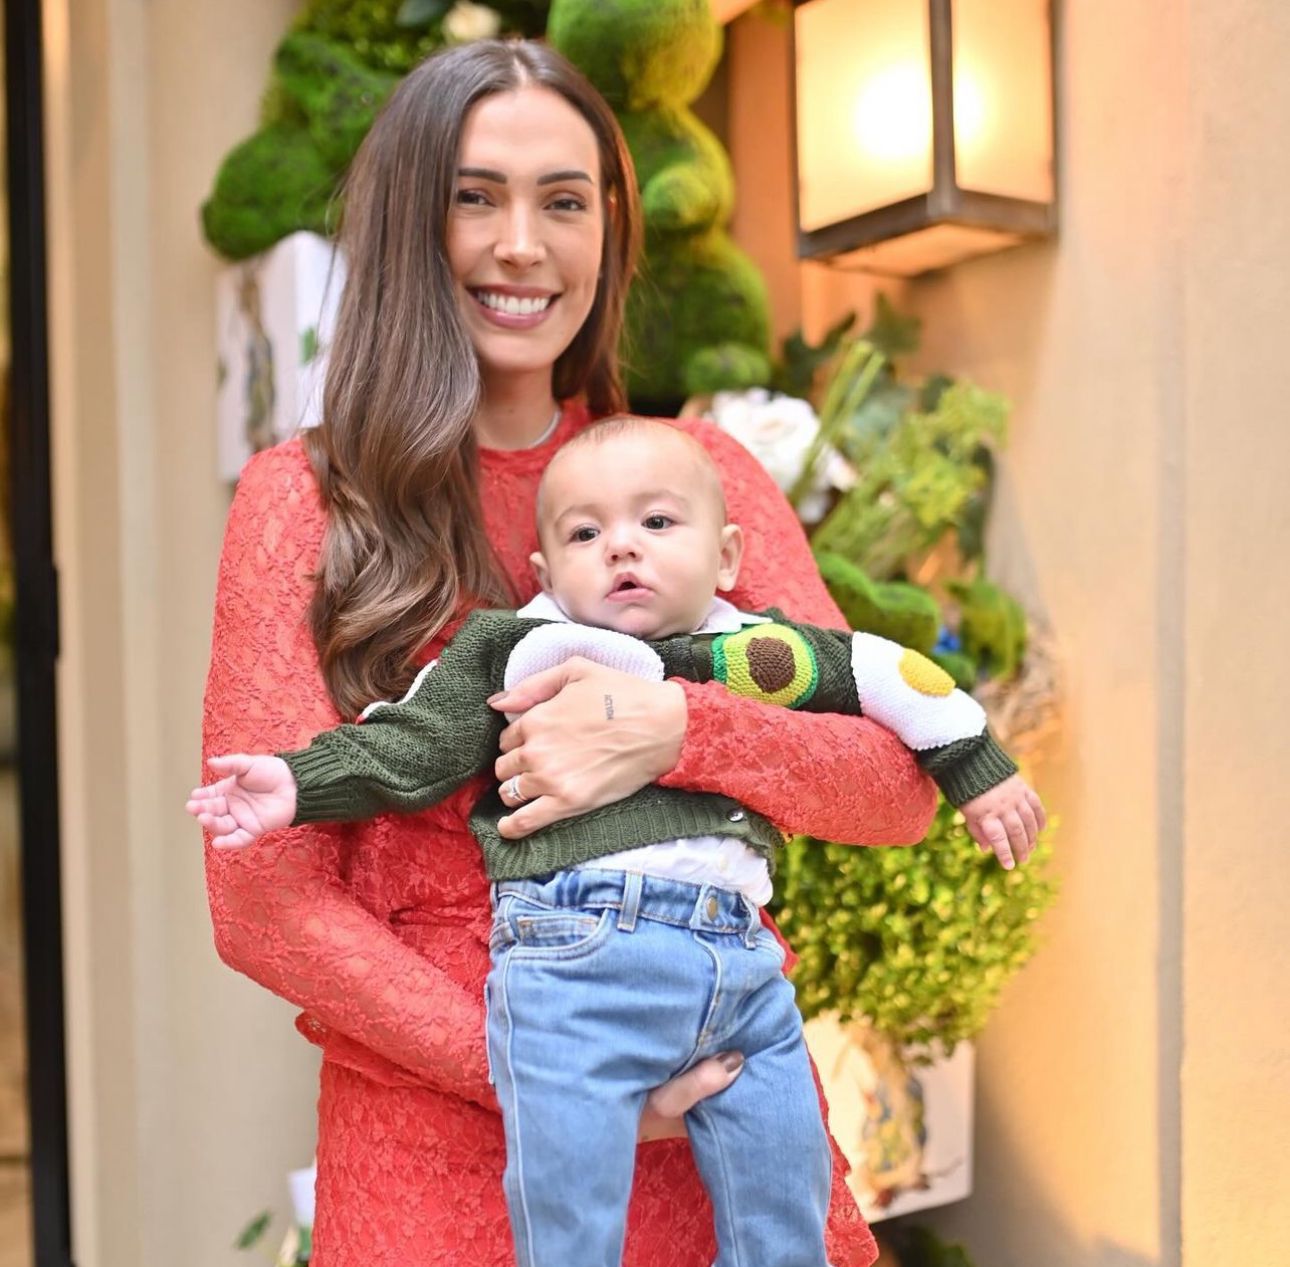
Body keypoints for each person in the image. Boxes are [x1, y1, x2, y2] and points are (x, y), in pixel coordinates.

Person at [201, 37, 946, 1267]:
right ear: (407, 223)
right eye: (476, 196)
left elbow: (889, 787)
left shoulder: (694, 486)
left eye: (565, 200)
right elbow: (264, 902)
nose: (522, 246)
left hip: (714, 1117)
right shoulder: (309, 506)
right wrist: (544, 1075)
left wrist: (683, 727)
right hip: (445, 1148)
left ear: (611, 226)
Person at [191, 416, 1044, 1267]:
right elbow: (412, 743)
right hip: (572, 962)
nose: (622, 549)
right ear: (545, 573)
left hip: (740, 972)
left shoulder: (753, 651)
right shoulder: (527, 645)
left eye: (658, 524)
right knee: (570, 1214)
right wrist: (297, 784)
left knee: (788, 1191)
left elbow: (881, 678)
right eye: (586, 533)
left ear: (729, 557)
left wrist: (978, 765)